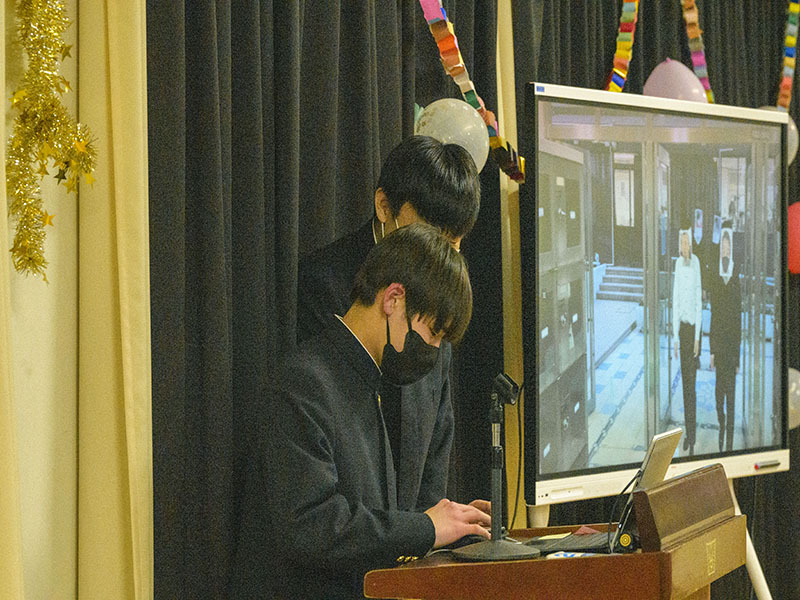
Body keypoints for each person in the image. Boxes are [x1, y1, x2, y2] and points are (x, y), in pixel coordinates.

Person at [233, 224, 491, 599]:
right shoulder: (303, 384)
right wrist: (426, 528)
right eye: (433, 332)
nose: (434, 351)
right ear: (393, 299)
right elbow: (311, 525)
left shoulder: (364, 380)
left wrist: (455, 526)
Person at [296, 135, 481, 514]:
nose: (440, 258)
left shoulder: (437, 289)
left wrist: (432, 528)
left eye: (453, 244)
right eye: (430, 236)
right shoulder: (325, 284)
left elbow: (436, 432)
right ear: (384, 206)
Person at [709, 228, 741, 452]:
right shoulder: (715, 274)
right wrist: (712, 350)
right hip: (719, 346)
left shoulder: (736, 273)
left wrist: (738, 357)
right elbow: (713, 315)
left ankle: (728, 439)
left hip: (731, 347)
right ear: (720, 248)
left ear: (731, 248)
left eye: (728, 245)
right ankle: (721, 423)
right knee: (719, 393)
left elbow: (738, 318)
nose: (725, 249)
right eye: (723, 245)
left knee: (731, 394)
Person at [672, 228, 703, 455]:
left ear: (690, 244)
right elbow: (675, 300)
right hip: (682, 331)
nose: (684, 246)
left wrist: (698, 338)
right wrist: (675, 337)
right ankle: (689, 435)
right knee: (685, 385)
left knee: (692, 384)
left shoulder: (696, 264)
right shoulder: (677, 264)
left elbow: (699, 302)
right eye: (682, 242)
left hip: (693, 331)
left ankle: (692, 435)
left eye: (687, 242)